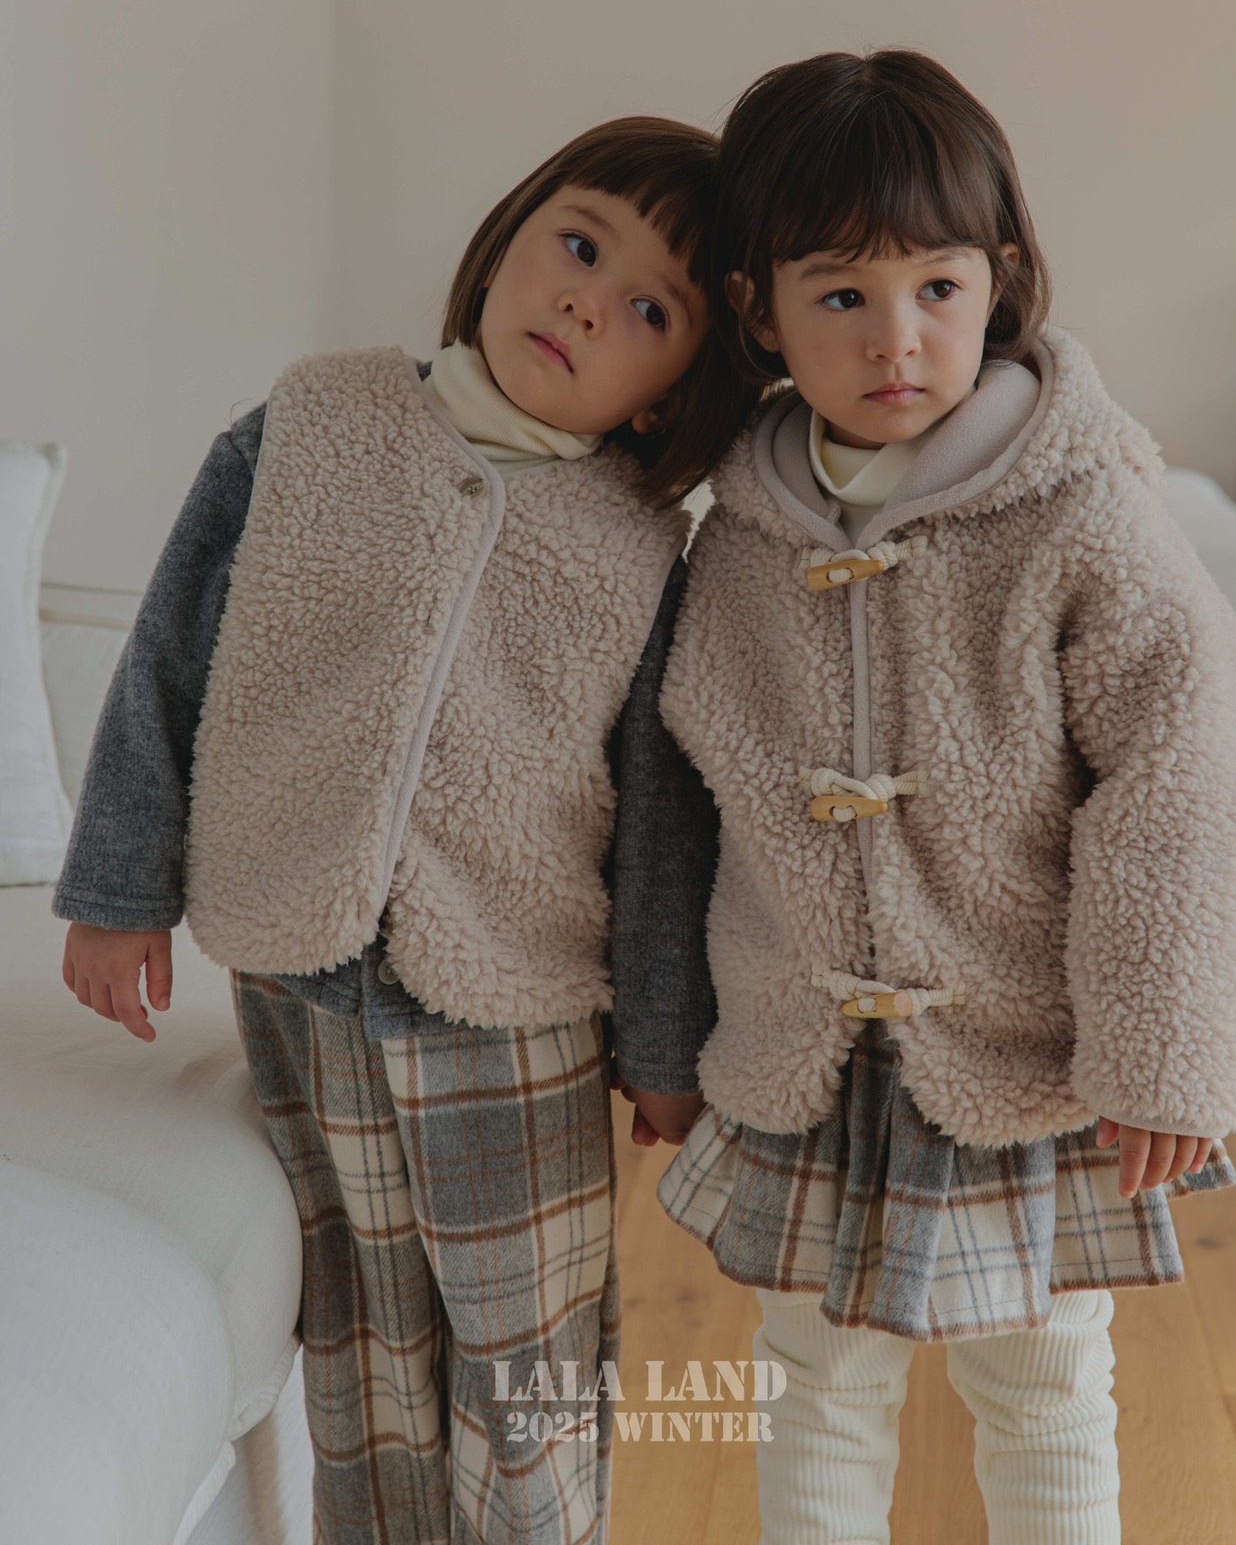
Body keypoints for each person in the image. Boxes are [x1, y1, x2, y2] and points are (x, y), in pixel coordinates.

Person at [54, 116, 758, 1545]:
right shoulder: (307, 427)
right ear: (506, 238)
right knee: (361, 1338)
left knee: (524, 1349)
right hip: (296, 973)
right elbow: (169, 659)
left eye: (650, 310)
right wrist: (120, 888)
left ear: (673, 390)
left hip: (511, 1004)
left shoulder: (644, 546)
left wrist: (663, 1045)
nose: (586, 304)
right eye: (578, 246)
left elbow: (661, 826)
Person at [620, 52, 1236, 1545]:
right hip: (808, 1054)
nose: (896, 337)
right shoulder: (738, 537)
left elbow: (1190, 771)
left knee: (1042, 1382)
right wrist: (668, 1038)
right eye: (841, 294)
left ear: (1003, 281)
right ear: (759, 311)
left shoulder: (1080, 511)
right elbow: (679, 803)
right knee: (814, 1381)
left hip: (1022, 1052)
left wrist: (1165, 1051)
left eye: (937, 287)